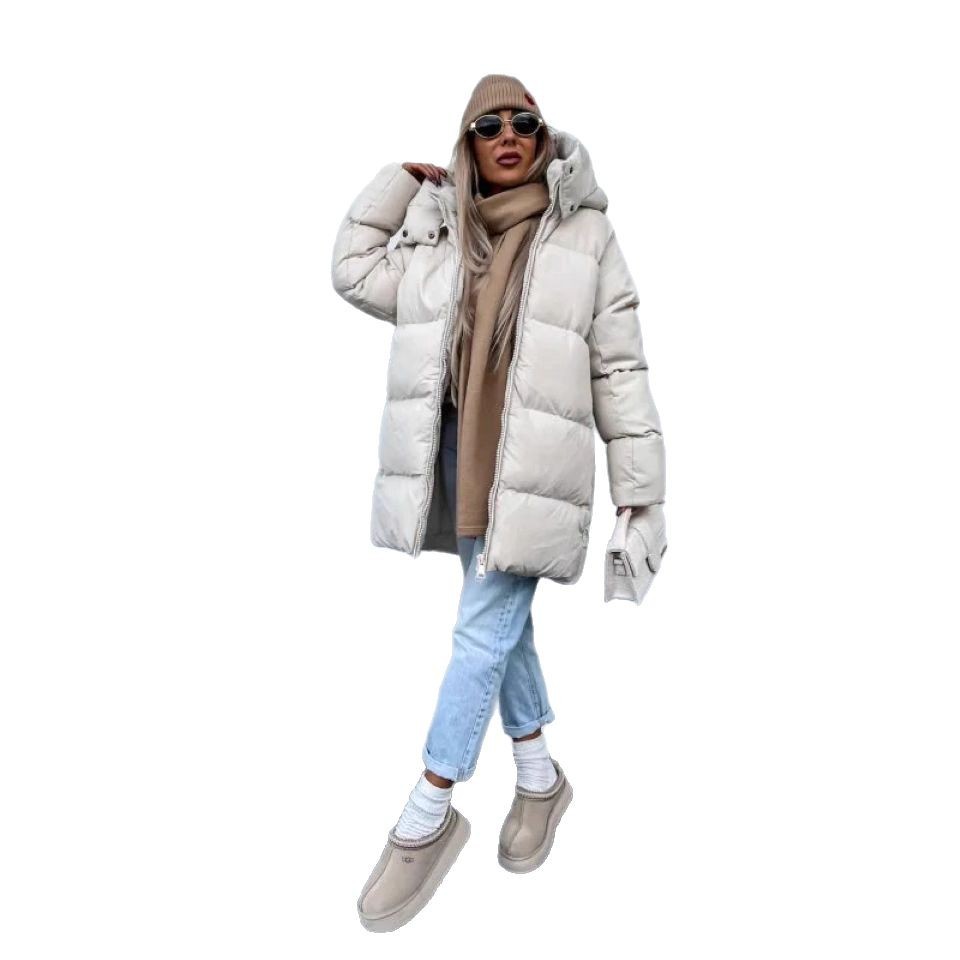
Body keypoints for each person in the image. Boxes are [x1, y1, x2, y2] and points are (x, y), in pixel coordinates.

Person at [331, 74, 666, 932]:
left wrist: (640, 493)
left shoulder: (587, 234)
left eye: (524, 121)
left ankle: (429, 810)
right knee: (500, 630)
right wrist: (398, 185)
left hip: (537, 470)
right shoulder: (442, 233)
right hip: (457, 461)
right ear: (467, 146)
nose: (508, 134)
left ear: (544, 138)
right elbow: (353, 273)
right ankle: (540, 778)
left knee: (479, 633)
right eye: (488, 125)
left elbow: (619, 364)